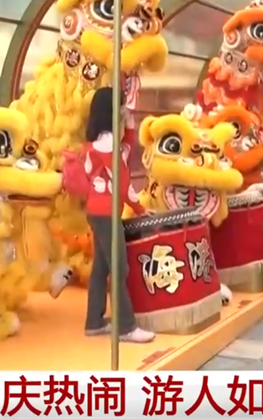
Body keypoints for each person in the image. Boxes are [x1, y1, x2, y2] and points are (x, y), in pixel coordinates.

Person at [81, 87, 154, 343]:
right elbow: (122, 185)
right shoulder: (108, 144)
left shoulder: (97, 142)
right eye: (121, 106)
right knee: (119, 269)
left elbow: (125, 149)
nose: (125, 110)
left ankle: (94, 321)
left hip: (96, 211)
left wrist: (130, 125)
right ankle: (126, 327)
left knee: (101, 268)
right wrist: (141, 209)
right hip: (107, 213)